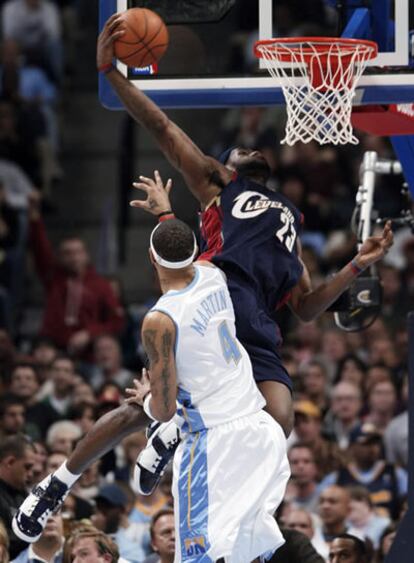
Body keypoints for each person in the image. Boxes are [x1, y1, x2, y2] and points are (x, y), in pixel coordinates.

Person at [12, 14, 394, 542]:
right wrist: (114, 75)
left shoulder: (289, 224)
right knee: (138, 410)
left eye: (252, 154)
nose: (249, 152)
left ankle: (190, 463)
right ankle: (56, 482)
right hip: (215, 305)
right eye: (239, 152)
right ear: (227, 164)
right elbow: (163, 129)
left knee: (275, 423)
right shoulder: (222, 186)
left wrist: (357, 264)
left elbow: (306, 306)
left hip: (256, 325)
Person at [16, 219, 290, 562]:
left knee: (196, 556)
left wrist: (150, 397)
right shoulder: (212, 273)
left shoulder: (160, 320)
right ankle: (72, 477)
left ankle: (68, 477)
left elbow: (161, 406)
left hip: (214, 443)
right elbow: (180, 251)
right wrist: (165, 214)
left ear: (150, 256)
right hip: (261, 433)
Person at [28, 194, 124, 356]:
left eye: (77, 252)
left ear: (86, 255)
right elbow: (40, 249)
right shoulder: (54, 277)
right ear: (60, 258)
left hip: (88, 353)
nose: (73, 257)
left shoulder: (100, 285)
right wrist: (34, 216)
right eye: (67, 253)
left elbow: (116, 322)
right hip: (54, 349)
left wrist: (89, 333)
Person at [0, 435, 36, 559]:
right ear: (10, 462)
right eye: (27, 467)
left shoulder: (25, 495)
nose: (31, 474)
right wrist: (36, 538)